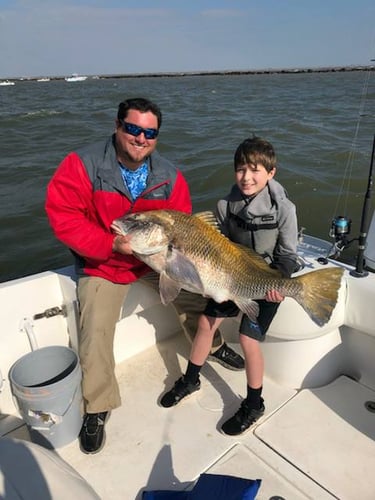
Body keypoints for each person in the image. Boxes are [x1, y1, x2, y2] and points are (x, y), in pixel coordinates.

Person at [45, 97, 244, 455]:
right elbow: (63, 216)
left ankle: (213, 346)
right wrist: (109, 245)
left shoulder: (170, 176)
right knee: (95, 330)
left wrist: (198, 271)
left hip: (156, 262)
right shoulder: (82, 165)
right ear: (118, 126)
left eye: (149, 132)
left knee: (195, 299)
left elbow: (184, 229)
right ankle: (98, 406)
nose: (140, 138)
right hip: (105, 262)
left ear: (156, 136)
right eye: (133, 129)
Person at [160, 136, 301, 436]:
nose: (246, 177)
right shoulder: (225, 205)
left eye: (255, 170)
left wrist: (279, 281)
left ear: (271, 173)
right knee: (205, 322)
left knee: (248, 340)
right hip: (230, 277)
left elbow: (289, 255)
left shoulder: (285, 209)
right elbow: (216, 245)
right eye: (240, 170)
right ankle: (191, 379)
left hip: (266, 282)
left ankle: (254, 404)